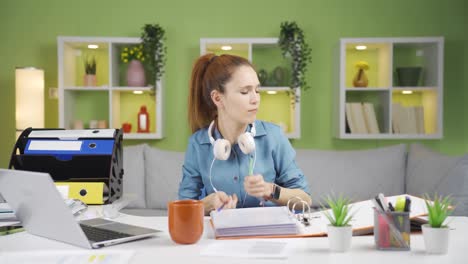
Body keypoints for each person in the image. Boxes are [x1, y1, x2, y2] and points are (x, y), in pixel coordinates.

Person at [178, 53, 311, 215]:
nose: (255, 99)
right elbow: (183, 209)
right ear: (218, 98)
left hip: (269, 234)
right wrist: (207, 204)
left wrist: (270, 190)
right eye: (245, 92)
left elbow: (305, 200)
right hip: (221, 236)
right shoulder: (198, 144)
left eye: (257, 90)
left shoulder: (273, 136)